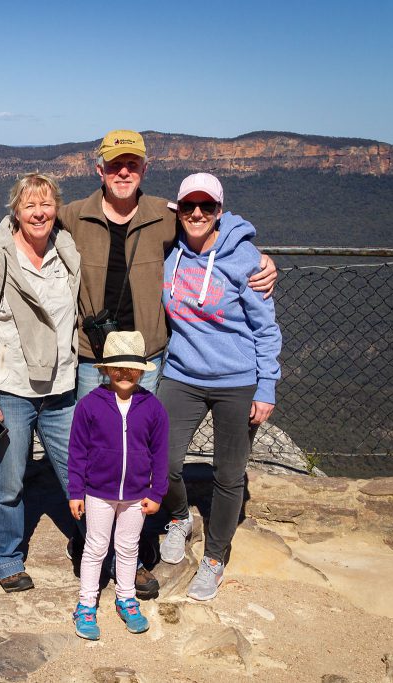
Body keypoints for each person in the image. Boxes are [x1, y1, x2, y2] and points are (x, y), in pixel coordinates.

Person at [0, 129, 278, 598]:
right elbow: (20, 223)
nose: (122, 172)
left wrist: (260, 257)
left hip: (148, 360)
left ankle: (132, 555)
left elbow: (214, 224)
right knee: (96, 457)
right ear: (99, 170)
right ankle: (93, 546)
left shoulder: (165, 214)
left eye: (131, 165)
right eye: (114, 165)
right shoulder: (73, 214)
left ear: (143, 170)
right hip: (90, 360)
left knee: (140, 456)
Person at [157, 173, 281, 602]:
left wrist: (267, 386)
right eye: (188, 206)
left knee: (228, 475)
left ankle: (214, 557)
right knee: (162, 458)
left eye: (206, 207)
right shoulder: (168, 249)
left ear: (218, 214)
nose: (196, 214)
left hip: (237, 382)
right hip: (182, 376)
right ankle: (178, 518)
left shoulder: (244, 260)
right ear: (178, 210)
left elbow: (266, 330)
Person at [0, 173, 83, 593]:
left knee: (80, 474)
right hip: (13, 388)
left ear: (56, 207)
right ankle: (4, 557)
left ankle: (93, 545)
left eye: (46, 204)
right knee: (8, 480)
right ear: (16, 212)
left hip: (61, 387)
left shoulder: (67, 249)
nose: (39, 213)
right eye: (29, 206)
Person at [67, 331, 168, 640]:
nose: (124, 374)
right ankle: (86, 605)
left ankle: (126, 599)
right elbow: (77, 450)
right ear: (105, 369)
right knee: (96, 547)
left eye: (131, 368)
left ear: (141, 370)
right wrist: (75, 491)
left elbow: (161, 453)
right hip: (98, 491)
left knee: (127, 547)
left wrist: (157, 492)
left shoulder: (152, 407)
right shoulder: (89, 405)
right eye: (117, 368)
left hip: (137, 494)